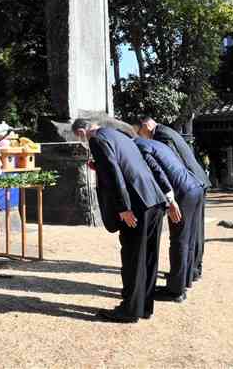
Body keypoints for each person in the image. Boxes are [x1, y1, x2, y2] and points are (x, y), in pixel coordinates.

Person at [72, 118, 168, 323]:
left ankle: (129, 310)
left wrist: (123, 207)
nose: (81, 141)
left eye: (78, 137)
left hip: (136, 204)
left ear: (82, 131)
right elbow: (126, 165)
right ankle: (144, 306)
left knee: (133, 256)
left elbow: (114, 173)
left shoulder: (96, 140)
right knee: (149, 256)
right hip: (153, 199)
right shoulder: (119, 135)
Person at [137, 117, 209, 282]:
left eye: (140, 131)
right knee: (194, 231)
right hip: (196, 181)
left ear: (146, 125)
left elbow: (168, 167)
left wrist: (170, 197)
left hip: (187, 183)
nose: (142, 136)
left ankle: (186, 274)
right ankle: (192, 271)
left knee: (185, 235)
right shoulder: (168, 131)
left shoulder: (162, 137)